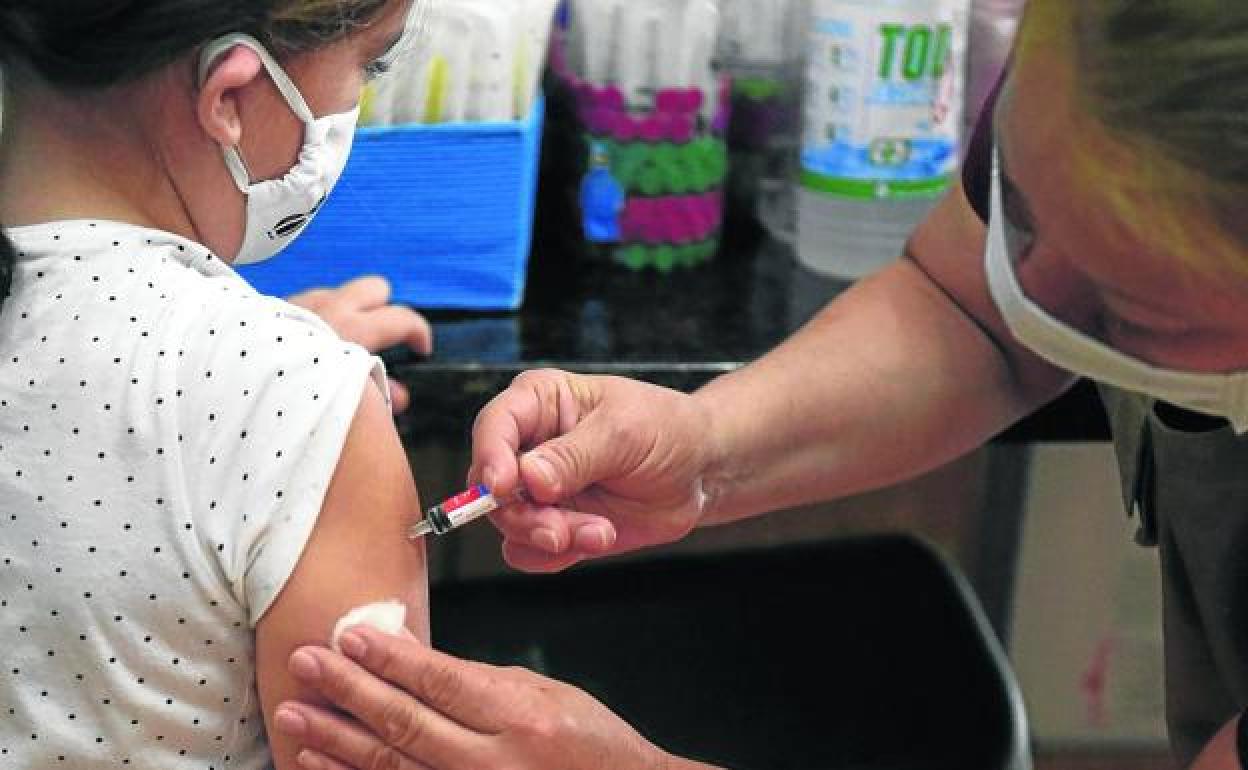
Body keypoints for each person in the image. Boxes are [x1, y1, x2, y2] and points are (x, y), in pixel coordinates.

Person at [276, 1, 1248, 769]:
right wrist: (705, 446)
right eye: (1024, 212)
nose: (1034, 294)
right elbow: (972, 312)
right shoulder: (1101, 57)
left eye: (1125, 308)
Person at [0, 1, 435, 767]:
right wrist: (268, 382)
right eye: (370, 63)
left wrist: (249, 363)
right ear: (228, 95)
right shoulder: (296, 404)